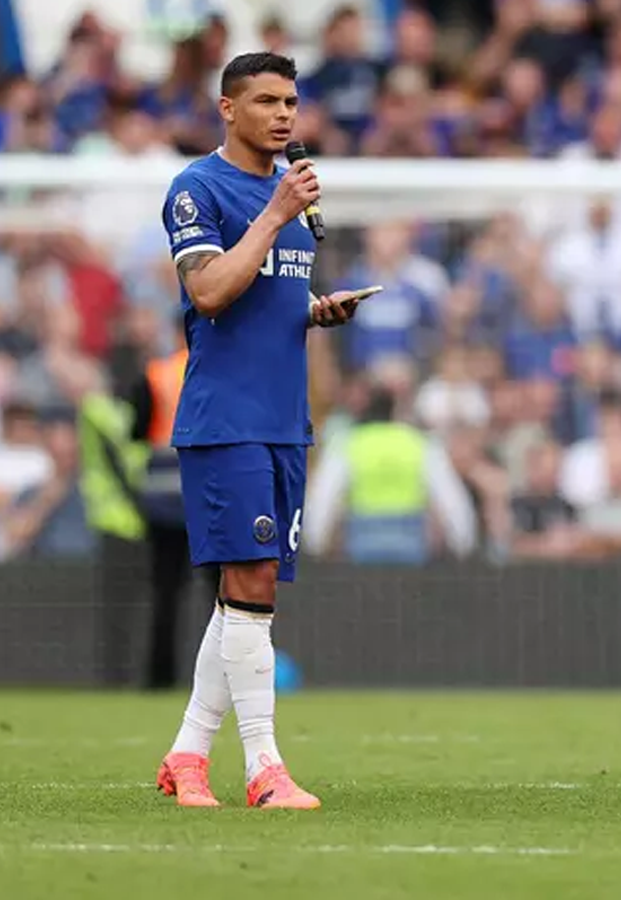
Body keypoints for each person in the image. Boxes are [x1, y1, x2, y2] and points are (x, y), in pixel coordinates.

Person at [155, 52, 367, 810]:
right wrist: (276, 213)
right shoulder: (198, 189)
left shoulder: (292, 200)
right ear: (227, 109)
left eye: (291, 102)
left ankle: (186, 755)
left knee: (249, 590)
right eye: (267, 101)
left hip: (284, 420)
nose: (284, 115)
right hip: (228, 420)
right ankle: (264, 768)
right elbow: (210, 290)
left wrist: (315, 311)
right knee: (249, 592)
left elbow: (263, 301)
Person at [128, 317, 221, 689]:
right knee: (222, 596)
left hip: (163, 499)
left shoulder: (155, 375)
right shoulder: (216, 373)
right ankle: (225, 679)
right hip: (211, 496)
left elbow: (136, 432)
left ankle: (159, 677)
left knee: (166, 592)